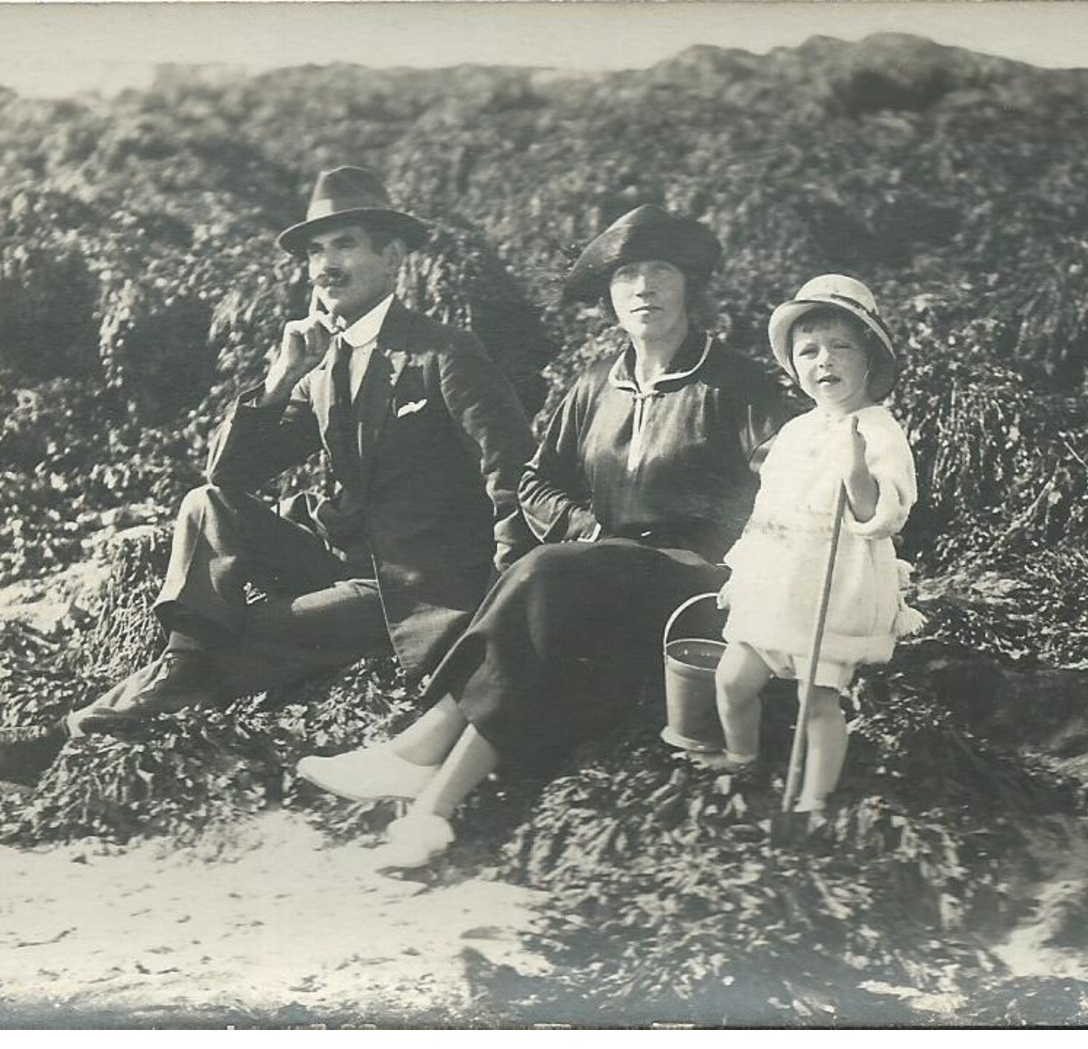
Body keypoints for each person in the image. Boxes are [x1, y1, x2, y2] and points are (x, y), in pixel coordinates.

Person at [0, 166, 535, 786]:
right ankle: (180, 660)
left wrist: (502, 600)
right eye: (315, 252)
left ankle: (55, 742)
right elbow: (231, 472)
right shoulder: (322, 363)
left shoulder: (442, 353)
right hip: (340, 562)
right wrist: (281, 380)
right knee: (206, 502)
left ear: (393, 255)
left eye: (345, 244)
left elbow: (510, 469)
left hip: (410, 589)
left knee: (236, 637)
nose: (325, 265)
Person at [297, 205, 791, 868]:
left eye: (661, 271)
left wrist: (719, 555)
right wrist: (591, 531)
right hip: (598, 575)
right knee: (546, 614)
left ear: (688, 286)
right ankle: (430, 813)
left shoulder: (736, 384)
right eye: (627, 276)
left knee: (544, 572)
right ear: (608, 297)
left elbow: (790, 484)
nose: (643, 287)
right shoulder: (594, 387)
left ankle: (417, 748)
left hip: (697, 587)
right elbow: (535, 481)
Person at [692, 274, 925, 810]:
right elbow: (766, 510)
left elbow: (882, 515)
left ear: (869, 359)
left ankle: (813, 800)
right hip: (777, 584)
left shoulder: (877, 429)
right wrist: (743, 574)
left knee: (817, 701)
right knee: (732, 680)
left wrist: (857, 470)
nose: (826, 361)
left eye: (842, 347)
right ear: (795, 366)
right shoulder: (795, 432)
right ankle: (743, 758)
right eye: (809, 351)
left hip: (832, 588)